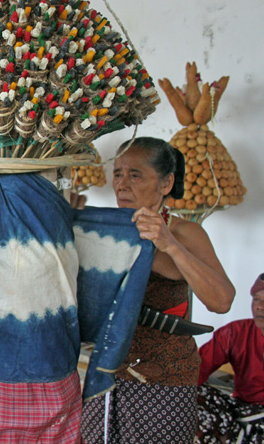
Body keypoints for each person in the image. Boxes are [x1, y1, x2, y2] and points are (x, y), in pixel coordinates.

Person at [81, 137, 235, 444]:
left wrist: (170, 246)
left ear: (166, 184)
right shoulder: (108, 229)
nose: (122, 185)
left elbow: (222, 300)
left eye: (135, 175)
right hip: (107, 370)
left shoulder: (184, 232)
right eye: (118, 174)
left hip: (165, 377)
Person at [196, 273, 264, 442]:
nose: (260, 307)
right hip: (240, 410)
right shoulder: (235, 332)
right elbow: (196, 371)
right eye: (256, 299)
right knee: (186, 392)